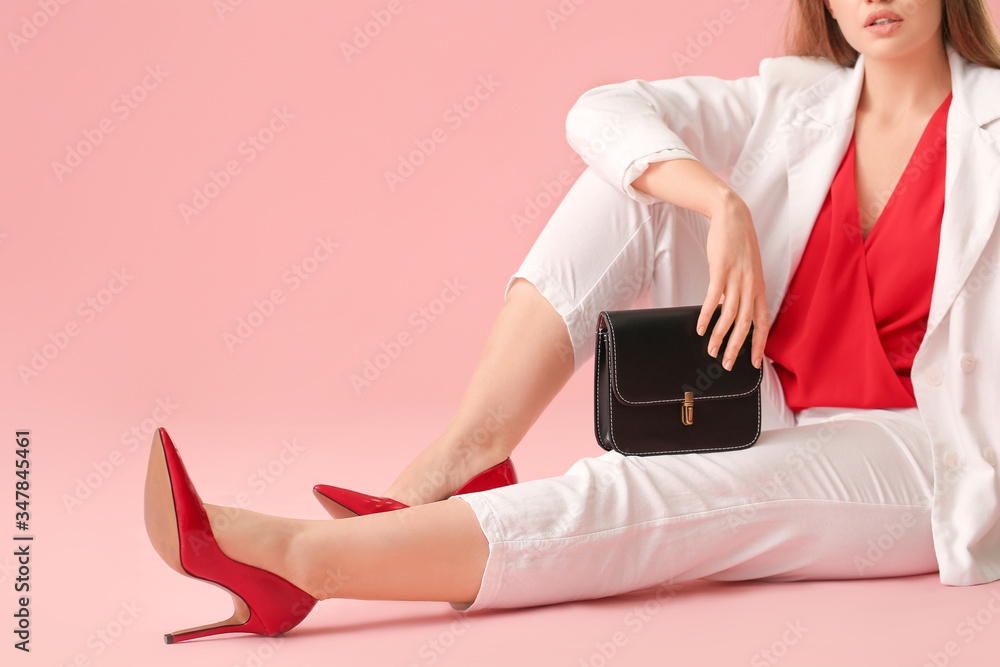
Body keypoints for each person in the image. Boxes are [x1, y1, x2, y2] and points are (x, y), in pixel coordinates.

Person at [144, 0, 1000, 644]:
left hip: (920, 452)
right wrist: (719, 199)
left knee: (672, 494)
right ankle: (460, 456)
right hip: (768, 407)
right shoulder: (792, 107)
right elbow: (601, 112)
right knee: (635, 178)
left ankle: (298, 562)